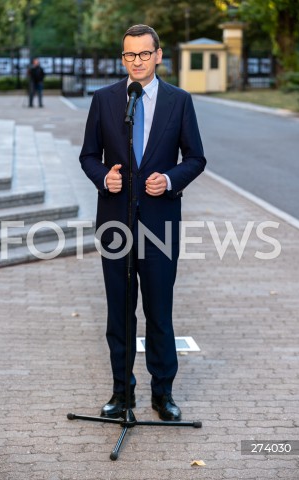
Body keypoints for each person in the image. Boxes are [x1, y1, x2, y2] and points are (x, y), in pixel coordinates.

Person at [79, 24, 206, 421]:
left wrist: (168, 180)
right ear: (123, 58)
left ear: (158, 55)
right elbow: (88, 155)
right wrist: (104, 177)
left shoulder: (179, 101)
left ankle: (162, 393)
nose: (136, 62)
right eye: (129, 55)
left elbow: (195, 158)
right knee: (119, 312)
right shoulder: (104, 99)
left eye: (144, 54)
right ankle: (122, 393)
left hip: (160, 224)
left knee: (158, 311)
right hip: (115, 222)